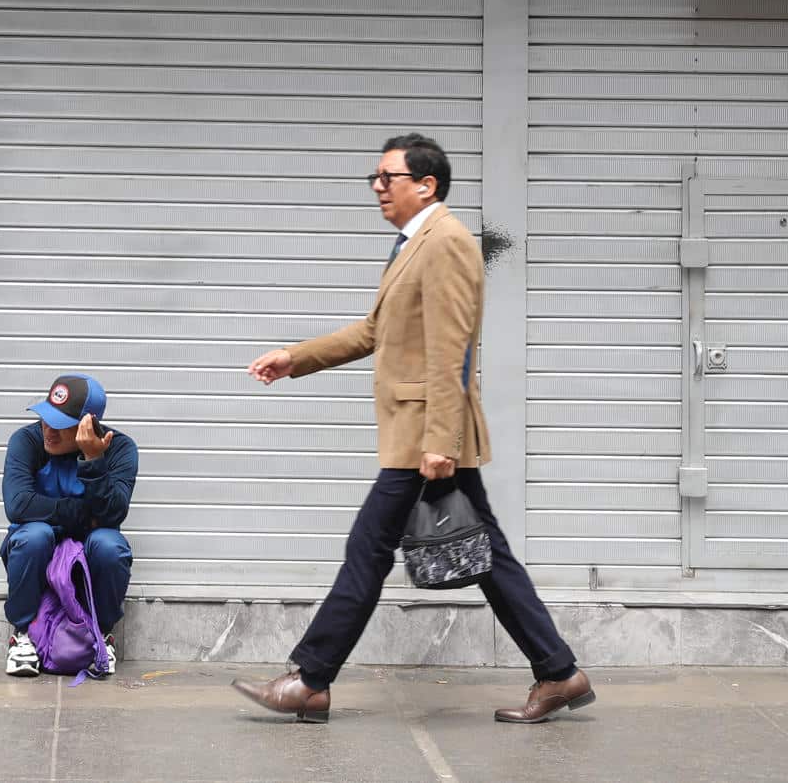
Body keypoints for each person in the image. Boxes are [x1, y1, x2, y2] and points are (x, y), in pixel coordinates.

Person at [230, 133, 592, 725]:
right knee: (486, 556)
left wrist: (440, 442)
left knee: (368, 551)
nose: (377, 187)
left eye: (387, 177)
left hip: (425, 437)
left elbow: (452, 349)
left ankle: (311, 680)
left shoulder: (445, 242)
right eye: (374, 177)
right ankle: (558, 672)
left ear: (426, 184)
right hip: (421, 435)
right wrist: (297, 357)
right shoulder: (412, 245)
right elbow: (374, 331)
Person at [0, 373, 139, 678]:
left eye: (60, 425)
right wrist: (82, 515)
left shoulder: (119, 449)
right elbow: (18, 505)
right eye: (46, 418)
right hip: (38, 553)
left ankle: (102, 636)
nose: (48, 429)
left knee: (110, 545)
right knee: (34, 535)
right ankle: (20, 635)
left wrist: (92, 460)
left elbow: (112, 515)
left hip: (87, 561)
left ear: (87, 426)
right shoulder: (26, 441)